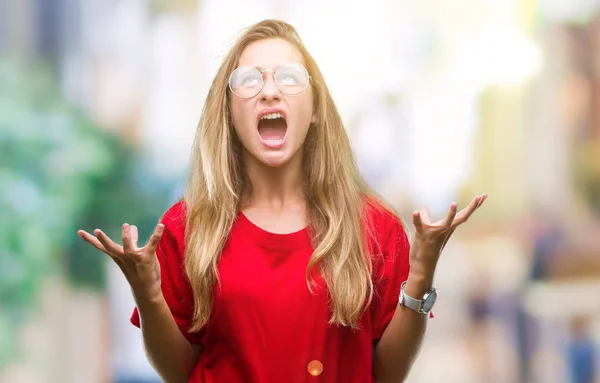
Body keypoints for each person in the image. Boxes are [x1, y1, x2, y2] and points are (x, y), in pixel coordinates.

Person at [78, 19, 487, 383]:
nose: (270, 91)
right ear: (229, 112)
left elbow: (389, 373)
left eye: (289, 78)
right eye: (249, 81)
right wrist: (148, 294)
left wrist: (421, 273)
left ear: (313, 110)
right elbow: (178, 373)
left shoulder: (375, 227)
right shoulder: (188, 227)